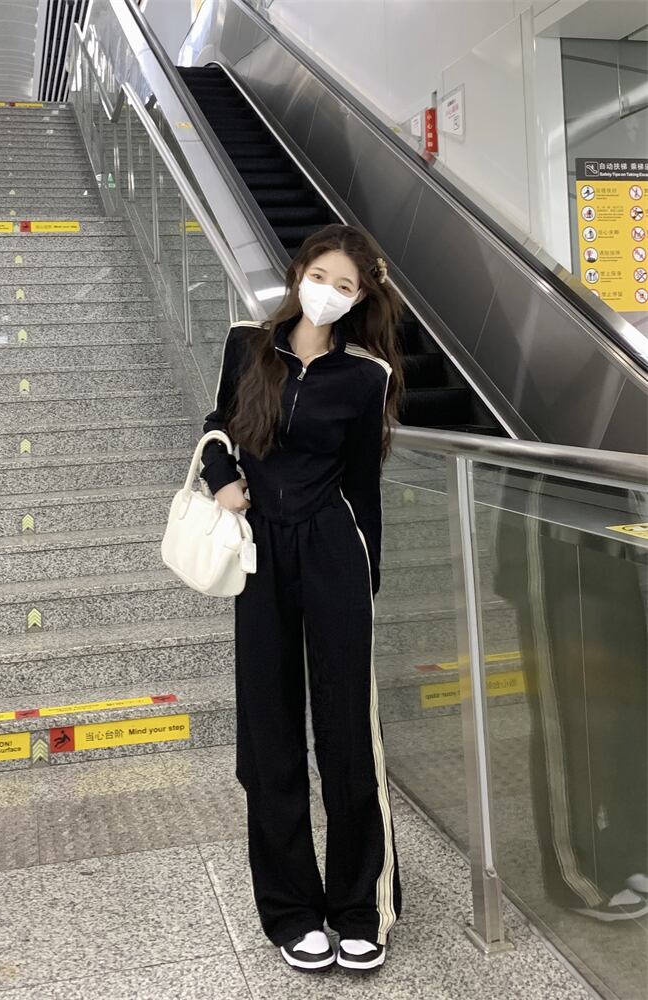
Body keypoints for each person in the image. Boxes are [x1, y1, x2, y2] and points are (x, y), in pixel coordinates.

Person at [199, 223, 404, 973]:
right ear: (298, 274)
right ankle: (291, 910)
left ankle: (359, 907)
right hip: (260, 555)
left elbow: (364, 487)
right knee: (269, 732)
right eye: (321, 276)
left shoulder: (366, 377)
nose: (328, 292)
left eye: (345, 285)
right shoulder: (247, 346)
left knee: (348, 734)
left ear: (360, 298)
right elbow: (218, 425)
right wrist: (222, 479)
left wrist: (366, 579)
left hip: (333, 553)